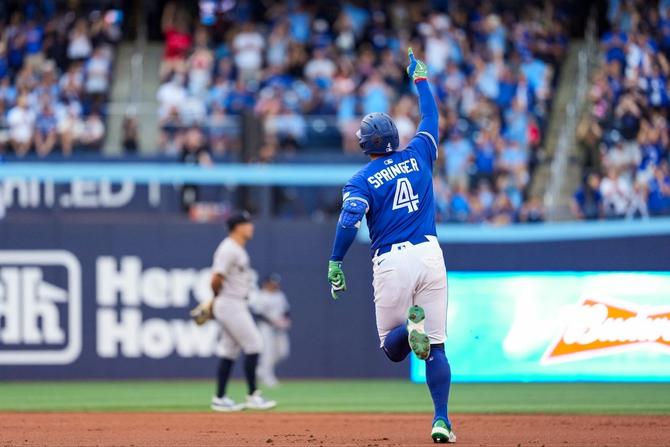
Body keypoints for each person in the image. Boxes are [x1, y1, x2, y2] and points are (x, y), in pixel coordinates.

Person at [327, 49, 456, 444]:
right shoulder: (418, 154)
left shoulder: (361, 180)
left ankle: (408, 328)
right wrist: (420, 80)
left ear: (365, 144)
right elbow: (432, 118)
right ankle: (441, 420)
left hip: (392, 260)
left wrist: (335, 261)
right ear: (395, 138)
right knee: (436, 347)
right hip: (430, 253)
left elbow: (349, 221)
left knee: (392, 347)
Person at [209, 211, 277, 412]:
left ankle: (220, 398)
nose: (251, 227)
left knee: (229, 350)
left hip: (232, 302)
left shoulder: (237, 249)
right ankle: (253, 395)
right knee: (254, 343)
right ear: (238, 227)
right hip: (230, 303)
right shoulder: (229, 249)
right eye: (247, 224)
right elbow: (215, 278)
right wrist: (216, 298)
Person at [249, 274, 291, 388]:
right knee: (268, 353)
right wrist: (272, 322)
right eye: (272, 283)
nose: (275, 285)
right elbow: (258, 314)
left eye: (276, 283)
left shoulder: (279, 295)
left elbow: (286, 310)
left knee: (282, 352)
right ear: (266, 283)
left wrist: (285, 320)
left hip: (279, 328)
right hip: (265, 328)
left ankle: (261, 370)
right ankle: (268, 377)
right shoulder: (261, 296)